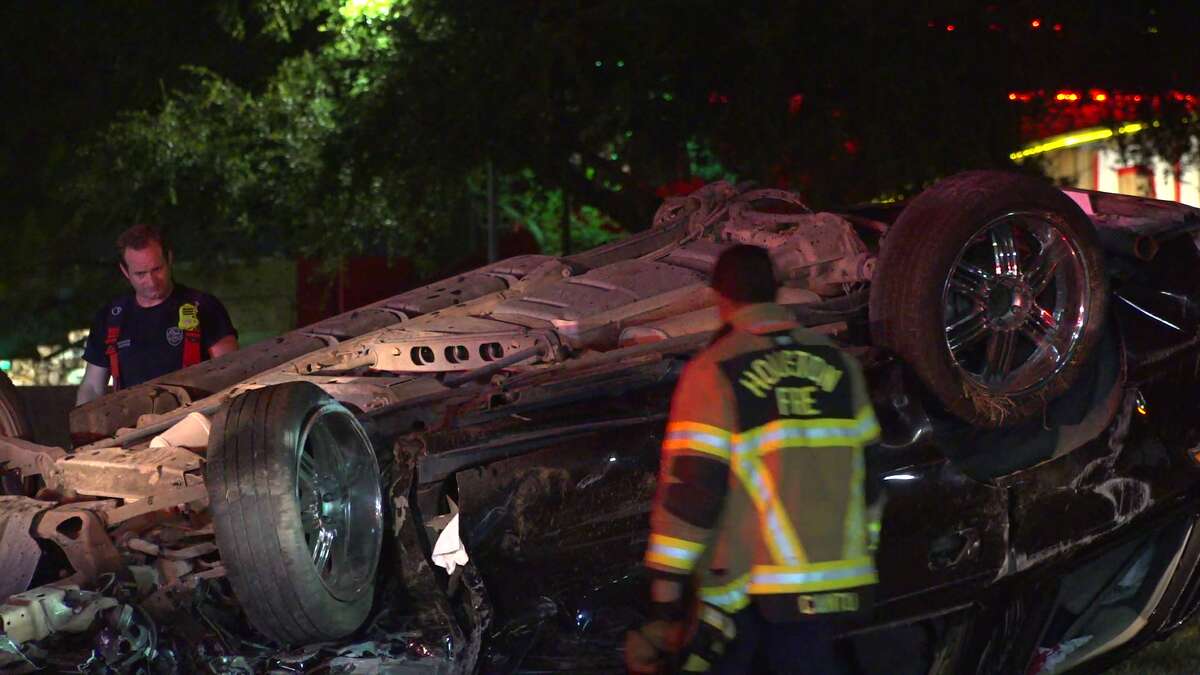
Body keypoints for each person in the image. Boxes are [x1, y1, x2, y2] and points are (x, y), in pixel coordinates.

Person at [626, 244, 882, 674]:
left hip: (750, 594)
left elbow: (693, 494)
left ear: (718, 296)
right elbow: (871, 478)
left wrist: (664, 599)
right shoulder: (839, 365)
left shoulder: (715, 371)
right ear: (777, 291)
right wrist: (859, 550)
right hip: (830, 587)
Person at [76, 224, 239, 405]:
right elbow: (92, 387)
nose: (151, 281)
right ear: (125, 271)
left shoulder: (204, 308)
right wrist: (85, 427)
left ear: (169, 259)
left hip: (193, 423)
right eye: (140, 274)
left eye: (157, 269)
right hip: (132, 427)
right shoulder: (110, 318)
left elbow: (230, 372)